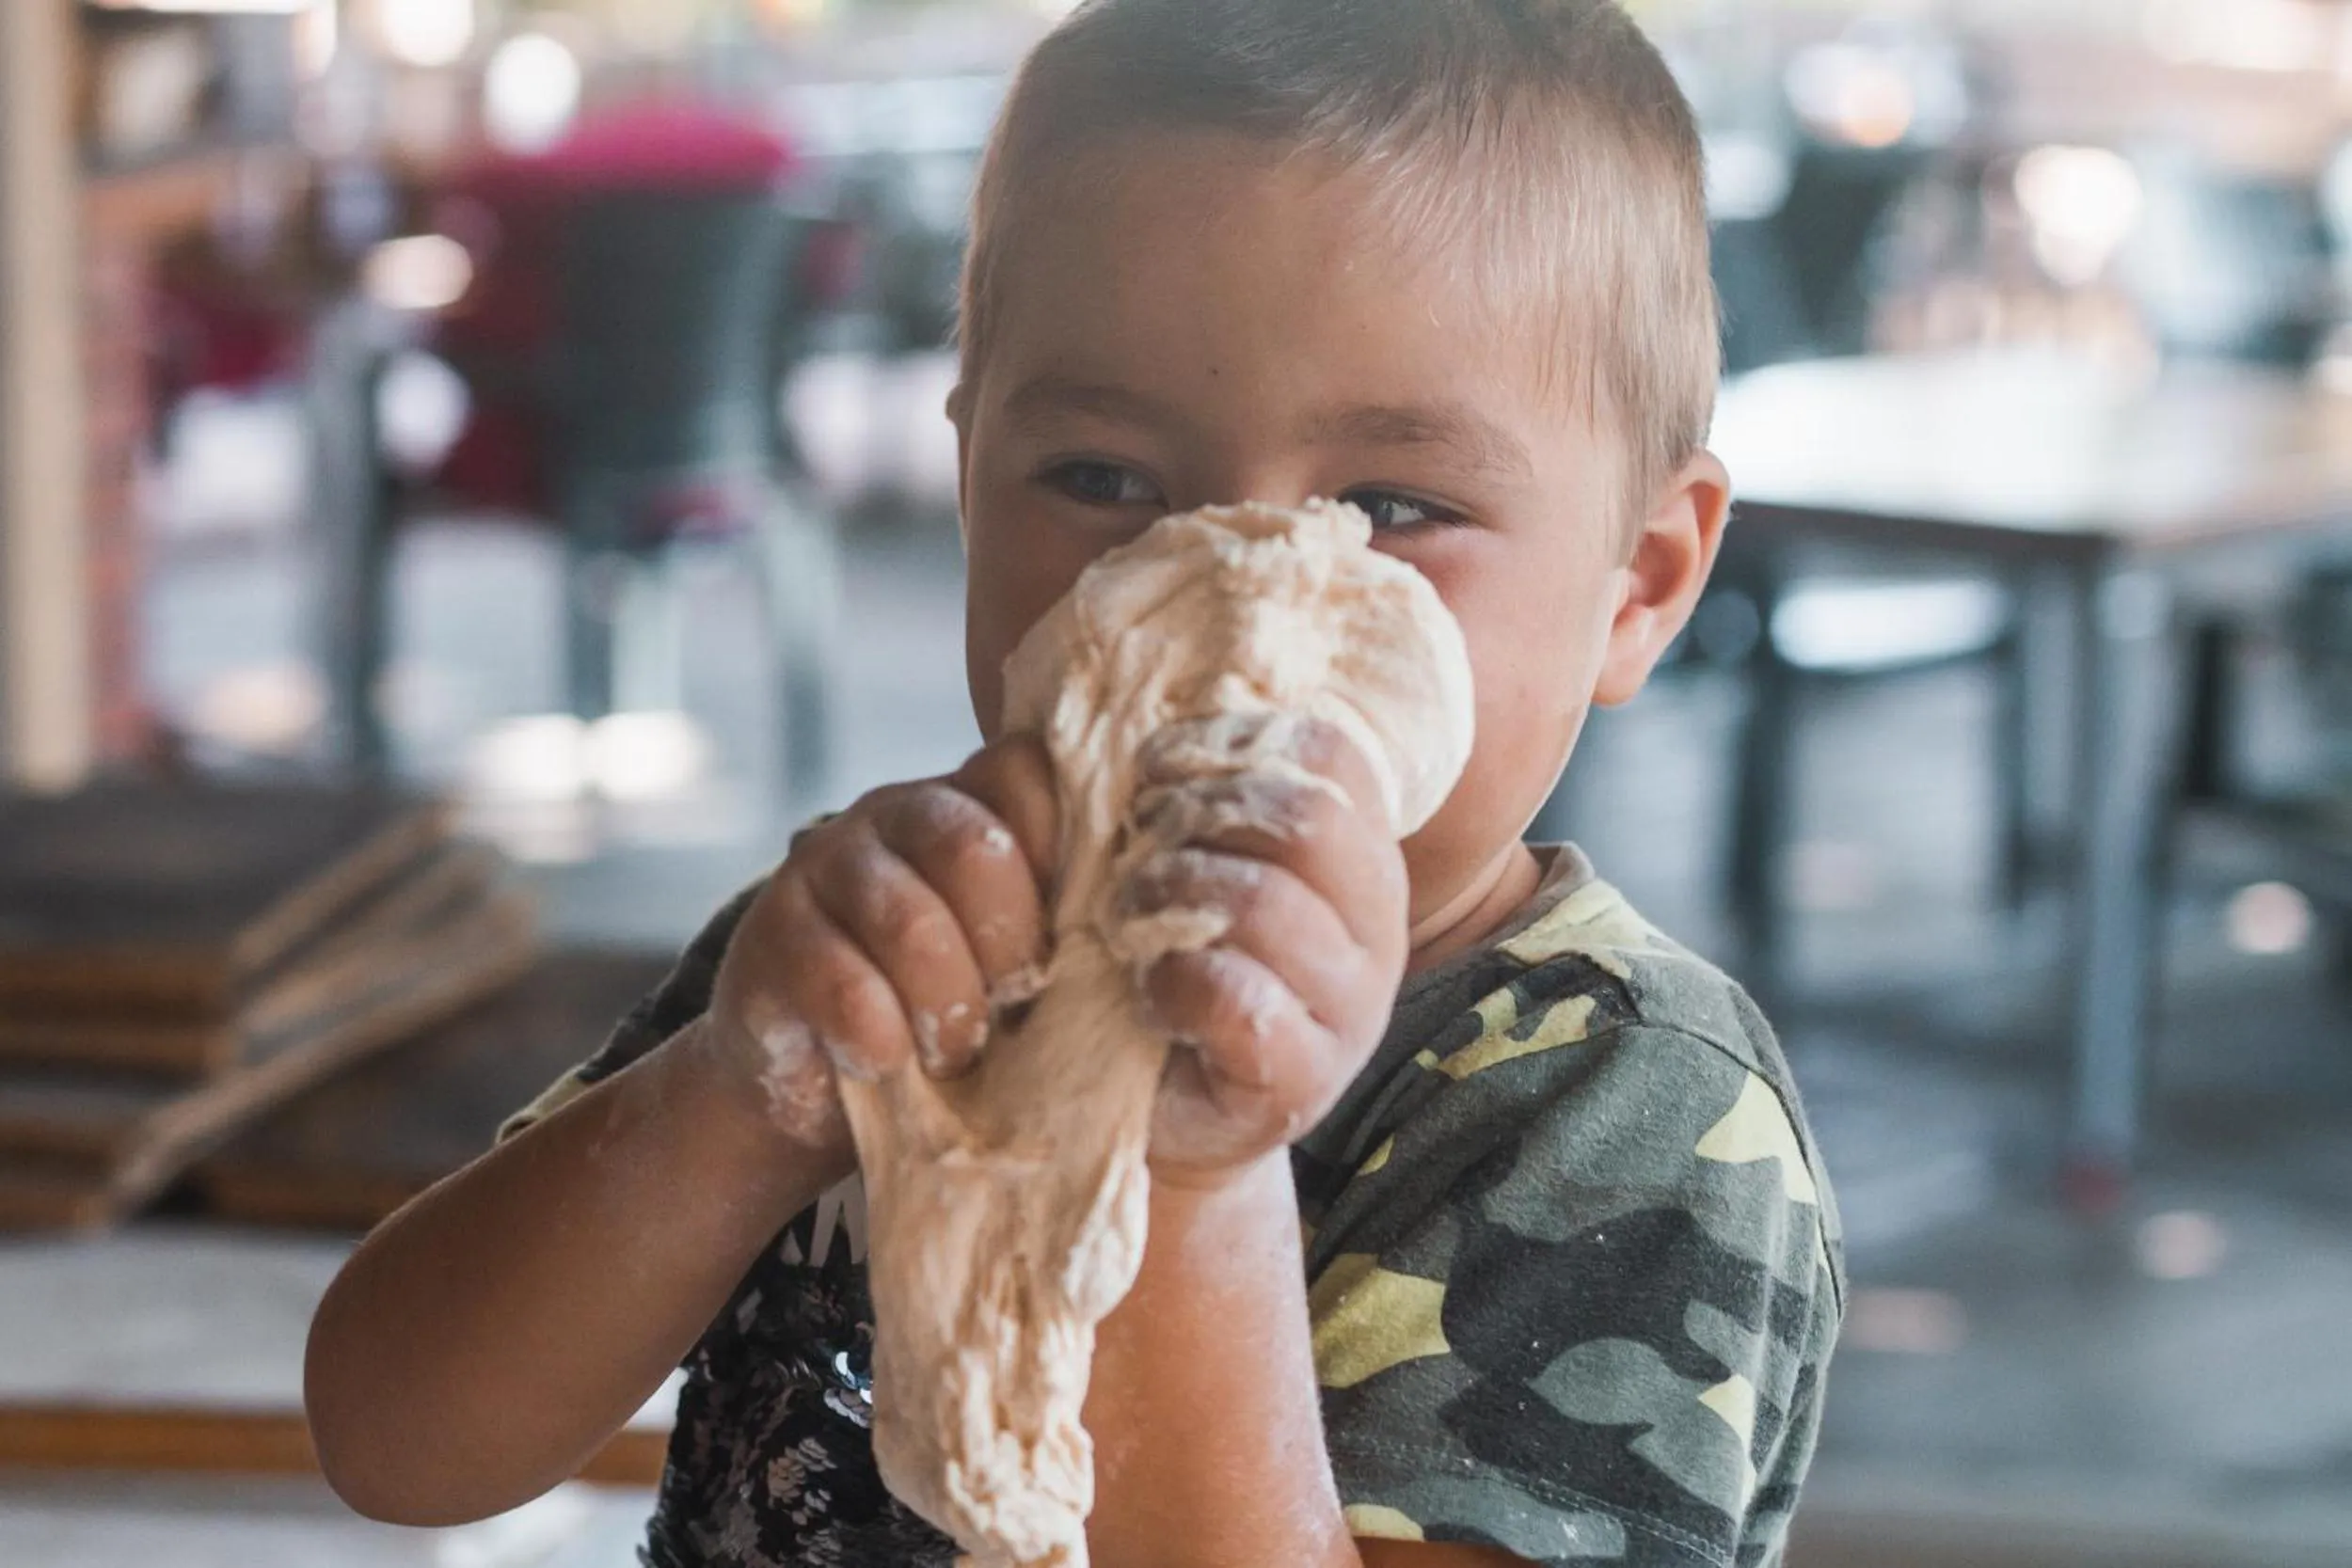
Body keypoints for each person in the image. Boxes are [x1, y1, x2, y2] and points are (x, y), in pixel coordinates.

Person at [304, 3, 1844, 1564]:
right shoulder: (885, 936)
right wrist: (733, 1100)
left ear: (1638, 582)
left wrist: (1183, 1184)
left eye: (1393, 504)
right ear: (969, 480)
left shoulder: (1621, 1107)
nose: (1224, 597)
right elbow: (394, 1438)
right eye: (1104, 480)